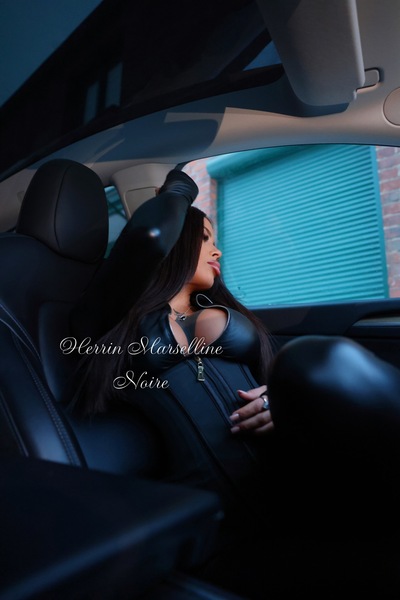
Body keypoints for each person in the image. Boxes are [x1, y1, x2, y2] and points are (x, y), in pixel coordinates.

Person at [68, 169, 400, 599]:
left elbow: (267, 380)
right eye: (205, 238)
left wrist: (281, 405)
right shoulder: (107, 318)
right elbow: (149, 235)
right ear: (175, 242)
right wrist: (180, 187)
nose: (218, 250)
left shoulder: (217, 308)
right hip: (222, 536)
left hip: (302, 500)